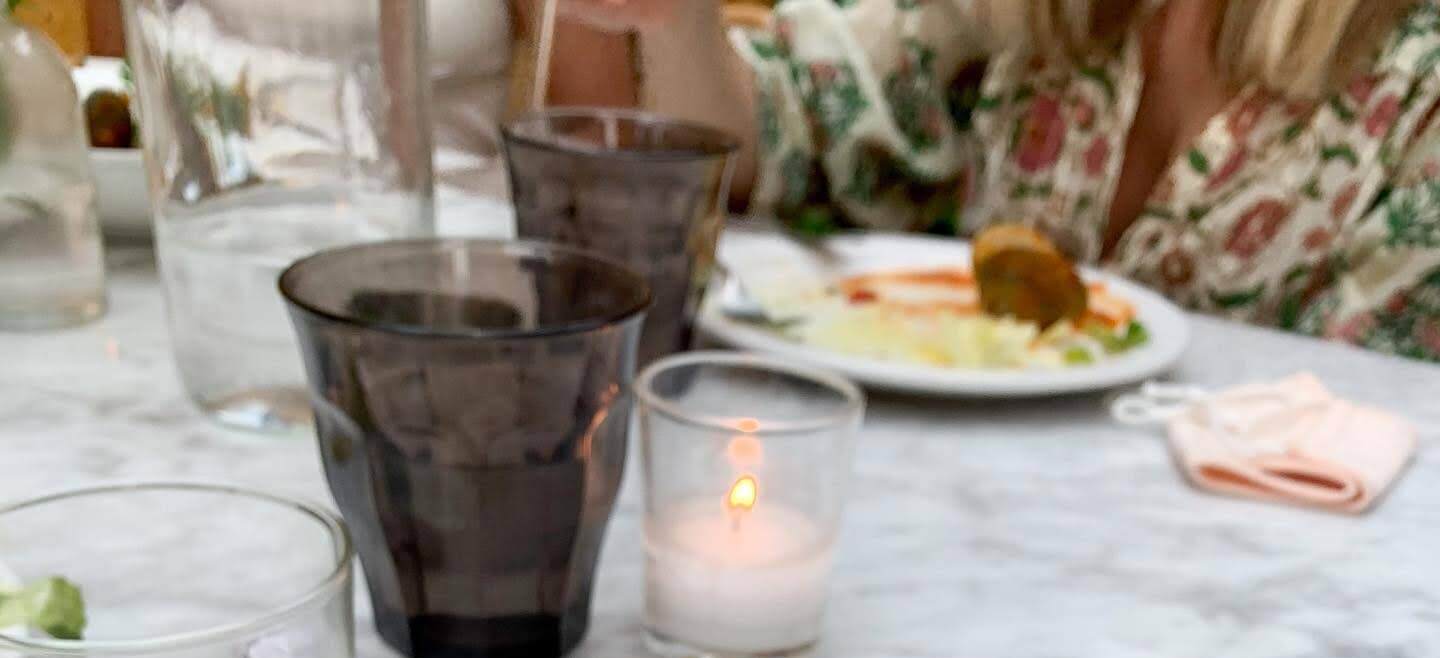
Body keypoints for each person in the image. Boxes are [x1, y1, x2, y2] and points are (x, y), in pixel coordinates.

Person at [558, 0, 1440, 358]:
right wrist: (669, 14)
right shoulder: (1032, 15)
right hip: (977, 564)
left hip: (1272, 613)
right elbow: (771, 130)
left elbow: (1391, 423)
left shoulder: (1417, 74)